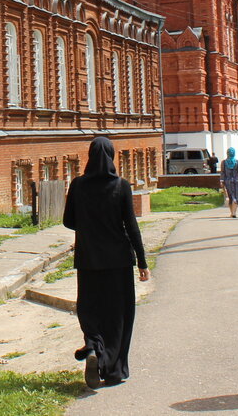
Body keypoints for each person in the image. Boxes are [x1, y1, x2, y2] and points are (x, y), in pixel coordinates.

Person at [64, 136, 150, 389]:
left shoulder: (78, 185)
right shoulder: (121, 186)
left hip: (89, 259)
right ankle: (113, 369)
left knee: (91, 309)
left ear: (90, 156)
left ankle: (93, 348)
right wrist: (142, 262)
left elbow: (69, 221)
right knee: (118, 315)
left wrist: (90, 226)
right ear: (111, 156)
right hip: (119, 262)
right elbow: (132, 227)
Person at [219, 146, 238, 217]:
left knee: (230, 196)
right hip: (237, 181)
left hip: (228, 181)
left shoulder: (224, 162)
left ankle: (232, 212)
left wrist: (221, 181)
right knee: (236, 197)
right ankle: (234, 212)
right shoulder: (237, 162)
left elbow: (222, 172)